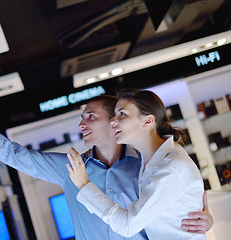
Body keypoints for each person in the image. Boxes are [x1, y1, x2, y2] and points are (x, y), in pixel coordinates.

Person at [0, 86, 212, 240]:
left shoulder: (145, 164)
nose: (82, 123)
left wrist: (206, 221)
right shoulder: (71, 167)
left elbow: (172, 206)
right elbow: (12, 154)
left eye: (92, 116)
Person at [67, 88, 208, 239]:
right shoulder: (149, 160)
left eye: (122, 114)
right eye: (114, 115)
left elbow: (127, 226)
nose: (113, 121)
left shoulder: (171, 168)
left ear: (147, 120)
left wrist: (84, 185)